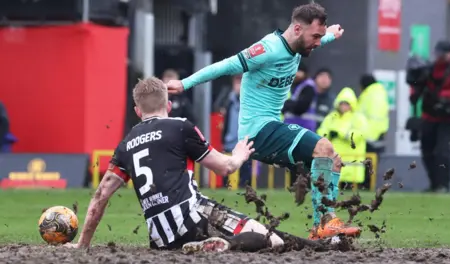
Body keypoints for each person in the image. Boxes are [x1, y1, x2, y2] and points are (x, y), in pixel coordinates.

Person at [65, 77, 342, 252]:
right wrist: (241, 153)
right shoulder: (180, 127)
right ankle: (226, 245)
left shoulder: (125, 144)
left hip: (161, 238)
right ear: (169, 104)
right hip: (192, 214)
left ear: (137, 111)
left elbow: (100, 196)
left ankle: (322, 246)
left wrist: (83, 244)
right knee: (271, 240)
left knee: (265, 233)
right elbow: (225, 168)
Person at [167, 3, 361, 240]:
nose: (318, 42)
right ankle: (324, 224)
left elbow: (315, 39)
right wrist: (184, 83)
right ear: (298, 29)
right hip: (257, 132)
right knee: (324, 147)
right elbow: (226, 66)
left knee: (333, 162)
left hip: (269, 128)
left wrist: (331, 34)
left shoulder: (299, 44)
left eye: (321, 37)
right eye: (316, 36)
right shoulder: (267, 49)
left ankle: (324, 227)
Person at [410, 40, 450, 193]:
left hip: (447, 119)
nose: (440, 57)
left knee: (442, 152)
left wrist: (440, 97)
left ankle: (443, 185)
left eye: (443, 54)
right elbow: (418, 85)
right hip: (429, 116)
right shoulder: (430, 68)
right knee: (427, 151)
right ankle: (434, 184)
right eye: (438, 54)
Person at [317, 87, 368, 187]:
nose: (344, 106)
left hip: (352, 167)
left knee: (349, 195)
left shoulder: (358, 118)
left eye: (347, 103)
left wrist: (340, 134)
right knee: (332, 193)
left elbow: (360, 134)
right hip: (333, 161)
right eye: (342, 103)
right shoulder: (331, 117)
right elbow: (321, 131)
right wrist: (328, 135)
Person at [219, 74, 253, 187]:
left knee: (245, 170)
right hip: (229, 140)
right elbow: (217, 107)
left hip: (244, 141)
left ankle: (245, 188)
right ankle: (226, 188)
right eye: (236, 81)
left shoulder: (249, 98)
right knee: (227, 169)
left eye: (241, 81)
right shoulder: (227, 98)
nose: (238, 85)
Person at [357, 74, 389, 190]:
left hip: (368, 134)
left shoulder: (368, 94)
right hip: (379, 133)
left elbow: (362, 115)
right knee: (373, 163)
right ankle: (368, 184)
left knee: (366, 162)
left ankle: (365, 184)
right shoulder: (381, 93)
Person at [283, 61, 318, 132]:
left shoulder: (308, 86)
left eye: (299, 71)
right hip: (292, 127)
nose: (297, 74)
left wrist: (288, 104)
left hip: (303, 127)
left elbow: (301, 107)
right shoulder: (295, 86)